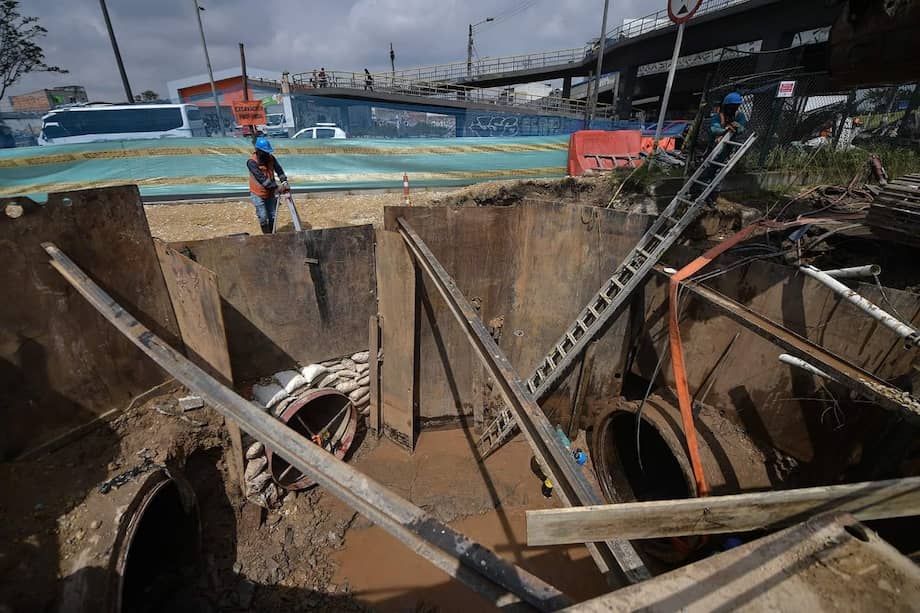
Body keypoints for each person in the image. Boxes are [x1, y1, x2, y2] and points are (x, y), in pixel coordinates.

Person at [698, 91, 748, 204]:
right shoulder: (717, 116)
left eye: (736, 106)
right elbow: (714, 129)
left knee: (719, 174)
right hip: (714, 149)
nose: (733, 108)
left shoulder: (739, 116)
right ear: (725, 106)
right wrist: (725, 130)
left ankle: (712, 198)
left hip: (727, 150)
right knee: (707, 171)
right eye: (731, 106)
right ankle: (700, 196)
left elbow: (742, 128)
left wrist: (738, 127)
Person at [247, 136, 289, 234]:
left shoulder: (270, 158)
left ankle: (271, 234)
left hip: (270, 193)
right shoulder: (252, 162)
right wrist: (277, 187)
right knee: (263, 216)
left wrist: (284, 181)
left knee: (272, 215)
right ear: (258, 151)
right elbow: (262, 179)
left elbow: (279, 169)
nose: (267, 154)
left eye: (268, 152)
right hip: (257, 193)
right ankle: (266, 236)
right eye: (265, 152)